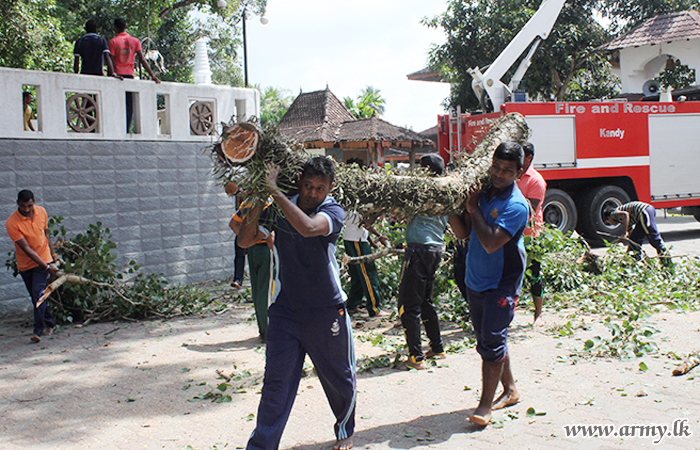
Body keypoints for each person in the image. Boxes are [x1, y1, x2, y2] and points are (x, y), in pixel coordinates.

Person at [238, 157, 355, 450]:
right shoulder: (278, 208)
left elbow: (307, 228)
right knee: (276, 383)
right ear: (299, 182)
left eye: (319, 188)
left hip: (326, 309)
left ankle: (345, 430)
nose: (312, 193)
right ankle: (262, 445)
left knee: (338, 377)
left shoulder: (332, 210)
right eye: (307, 186)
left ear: (330, 188)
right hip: (284, 312)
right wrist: (259, 197)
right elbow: (245, 239)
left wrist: (274, 191)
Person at [449, 142, 529, 426]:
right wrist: (448, 208)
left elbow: (492, 242)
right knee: (488, 340)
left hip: (502, 283)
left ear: (519, 172)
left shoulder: (516, 205)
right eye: (496, 166)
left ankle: (485, 406)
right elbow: (465, 233)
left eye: (508, 170)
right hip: (475, 279)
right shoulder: (483, 194)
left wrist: (473, 208)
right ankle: (510, 389)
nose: (499, 173)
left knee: (492, 343)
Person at [396, 154, 449, 370]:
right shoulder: (447, 192)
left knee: (408, 306)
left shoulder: (422, 190)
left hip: (418, 251)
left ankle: (416, 357)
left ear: (425, 170)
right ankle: (437, 347)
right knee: (426, 301)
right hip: (435, 250)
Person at [6, 190, 60, 343]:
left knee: (38, 292)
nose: (27, 209)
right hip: (26, 264)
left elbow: (45, 235)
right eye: (23, 206)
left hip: (43, 259)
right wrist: (47, 267)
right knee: (36, 296)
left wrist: (53, 256)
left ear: (34, 201)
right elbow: (27, 250)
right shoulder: (12, 223)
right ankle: (50, 323)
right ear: (18, 204)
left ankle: (38, 330)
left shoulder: (42, 212)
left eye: (29, 205)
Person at [229, 198, 274, 342]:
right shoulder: (271, 203)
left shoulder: (247, 203)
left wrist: (247, 240)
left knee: (256, 290)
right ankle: (268, 332)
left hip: (252, 250)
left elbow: (233, 224)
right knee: (267, 291)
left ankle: (262, 329)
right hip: (266, 249)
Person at [108, 17, 161, 132]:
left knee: (117, 105)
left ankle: (118, 130)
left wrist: (111, 73)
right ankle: (126, 129)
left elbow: (110, 61)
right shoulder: (135, 41)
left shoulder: (113, 42)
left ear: (115, 28)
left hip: (117, 76)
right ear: (126, 27)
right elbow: (142, 60)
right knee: (129, 106)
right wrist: (152, 76)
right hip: (130, 76)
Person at [518, 142, 547, 325]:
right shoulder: (514, 176)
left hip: (531, 236)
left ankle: (538, 314)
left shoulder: (535, 180)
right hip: (513, 234)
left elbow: (531, 209)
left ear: (529, 158)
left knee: (534, 274)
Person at [343, 210, 389, 317]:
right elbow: (366, 224)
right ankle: (374, 308)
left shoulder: (355, 203)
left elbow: (362, 225)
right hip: (356, 241)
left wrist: (371, 240)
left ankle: (352, 305)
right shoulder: (362, 205)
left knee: (357, 276)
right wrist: (379, 233)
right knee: (368, 274)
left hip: (354, 239)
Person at [605, 201, 670, 261]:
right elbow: (632, 235)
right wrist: (626, 239)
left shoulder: (613, 214)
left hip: (644, 211)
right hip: (642, 216)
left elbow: (625, 214)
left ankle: (666, 258)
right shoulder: (623, 221)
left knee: (652, 237)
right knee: (635, 240)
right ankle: (634, 260)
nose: (612, 224)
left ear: (609, 218)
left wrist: (624, 234)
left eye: (609, 222)